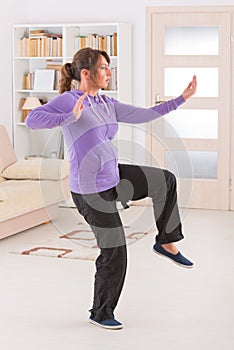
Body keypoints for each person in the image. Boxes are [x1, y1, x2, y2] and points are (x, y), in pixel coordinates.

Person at [26, 47, 197, 330]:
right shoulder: (69, 101)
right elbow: (33, 120)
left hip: (113, 178)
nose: (108, 72)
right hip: (89, 190)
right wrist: (69, 117)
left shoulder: (107, 103)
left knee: (164, 180)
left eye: (109, 67)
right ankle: (100, 312)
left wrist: (180, 99)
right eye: (104, 67)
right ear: (86, 73)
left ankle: (166, 240)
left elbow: (145, 114)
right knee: (115, 250)